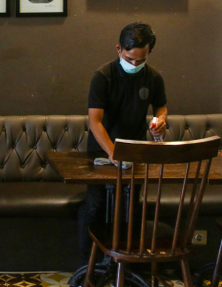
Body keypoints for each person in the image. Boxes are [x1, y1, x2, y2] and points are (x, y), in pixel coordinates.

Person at [76, 22, 168, 269]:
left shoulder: (154, 76)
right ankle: (89, 265)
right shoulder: (103, 76)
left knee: (131, 207)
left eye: (141, 60)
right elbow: (94, 121)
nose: (135, 65)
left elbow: (161, 106)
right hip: (102, 150)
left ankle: (126, 265)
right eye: (130, 59)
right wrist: (112, 152)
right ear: (119, 49)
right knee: (95, 205)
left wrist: (160, 121)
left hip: (136, 148)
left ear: (148, 54)